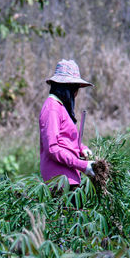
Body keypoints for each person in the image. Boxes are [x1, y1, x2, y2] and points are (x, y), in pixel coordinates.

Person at [39, 59, 95, 188]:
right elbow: (52, 148)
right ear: (67, 89)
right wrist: (83, 165)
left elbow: (66, 140)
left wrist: (83, 149)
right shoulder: (52, 108)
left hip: (70, 177)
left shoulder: (60, 107)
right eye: (75, 90)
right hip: (60, 180)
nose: (76, 95)